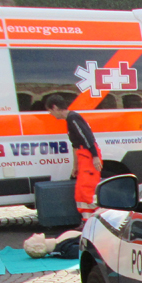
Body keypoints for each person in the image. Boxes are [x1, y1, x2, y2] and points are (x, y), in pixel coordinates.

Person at [44, 94, 102, 223]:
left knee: (88, 191)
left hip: (88, 155)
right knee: (81, 193)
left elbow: (87, 138)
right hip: (83, 156)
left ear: (55, 107)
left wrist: (95, 157)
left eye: (50, 111)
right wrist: (75, 166)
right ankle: (87, 222)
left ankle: (101, 220)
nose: (51, 114)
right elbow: (75, 146)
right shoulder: (70, 120)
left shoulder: (73, 118)